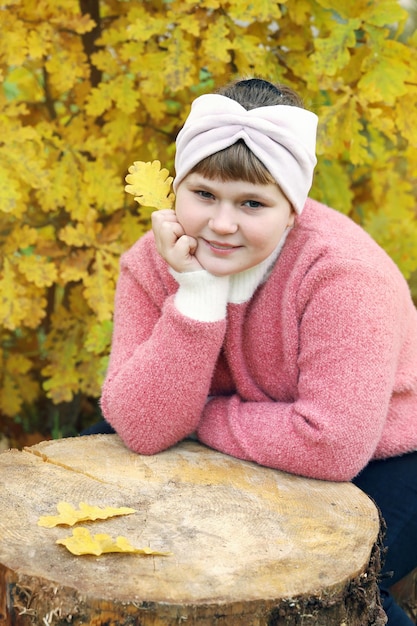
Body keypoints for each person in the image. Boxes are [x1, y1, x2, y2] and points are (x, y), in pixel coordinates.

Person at [97, 78, 417, 624]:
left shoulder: (343, 274)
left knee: (324, 592)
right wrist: (197, 294)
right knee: (145, 569)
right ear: (178, 191)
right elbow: (141, 427)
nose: (222, 225)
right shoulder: (152, 263)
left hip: (385, 459)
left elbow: (333, 445)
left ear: (293, 209)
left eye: (252, 203)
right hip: (245, 445)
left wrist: (196, 418)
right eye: (204, 195)